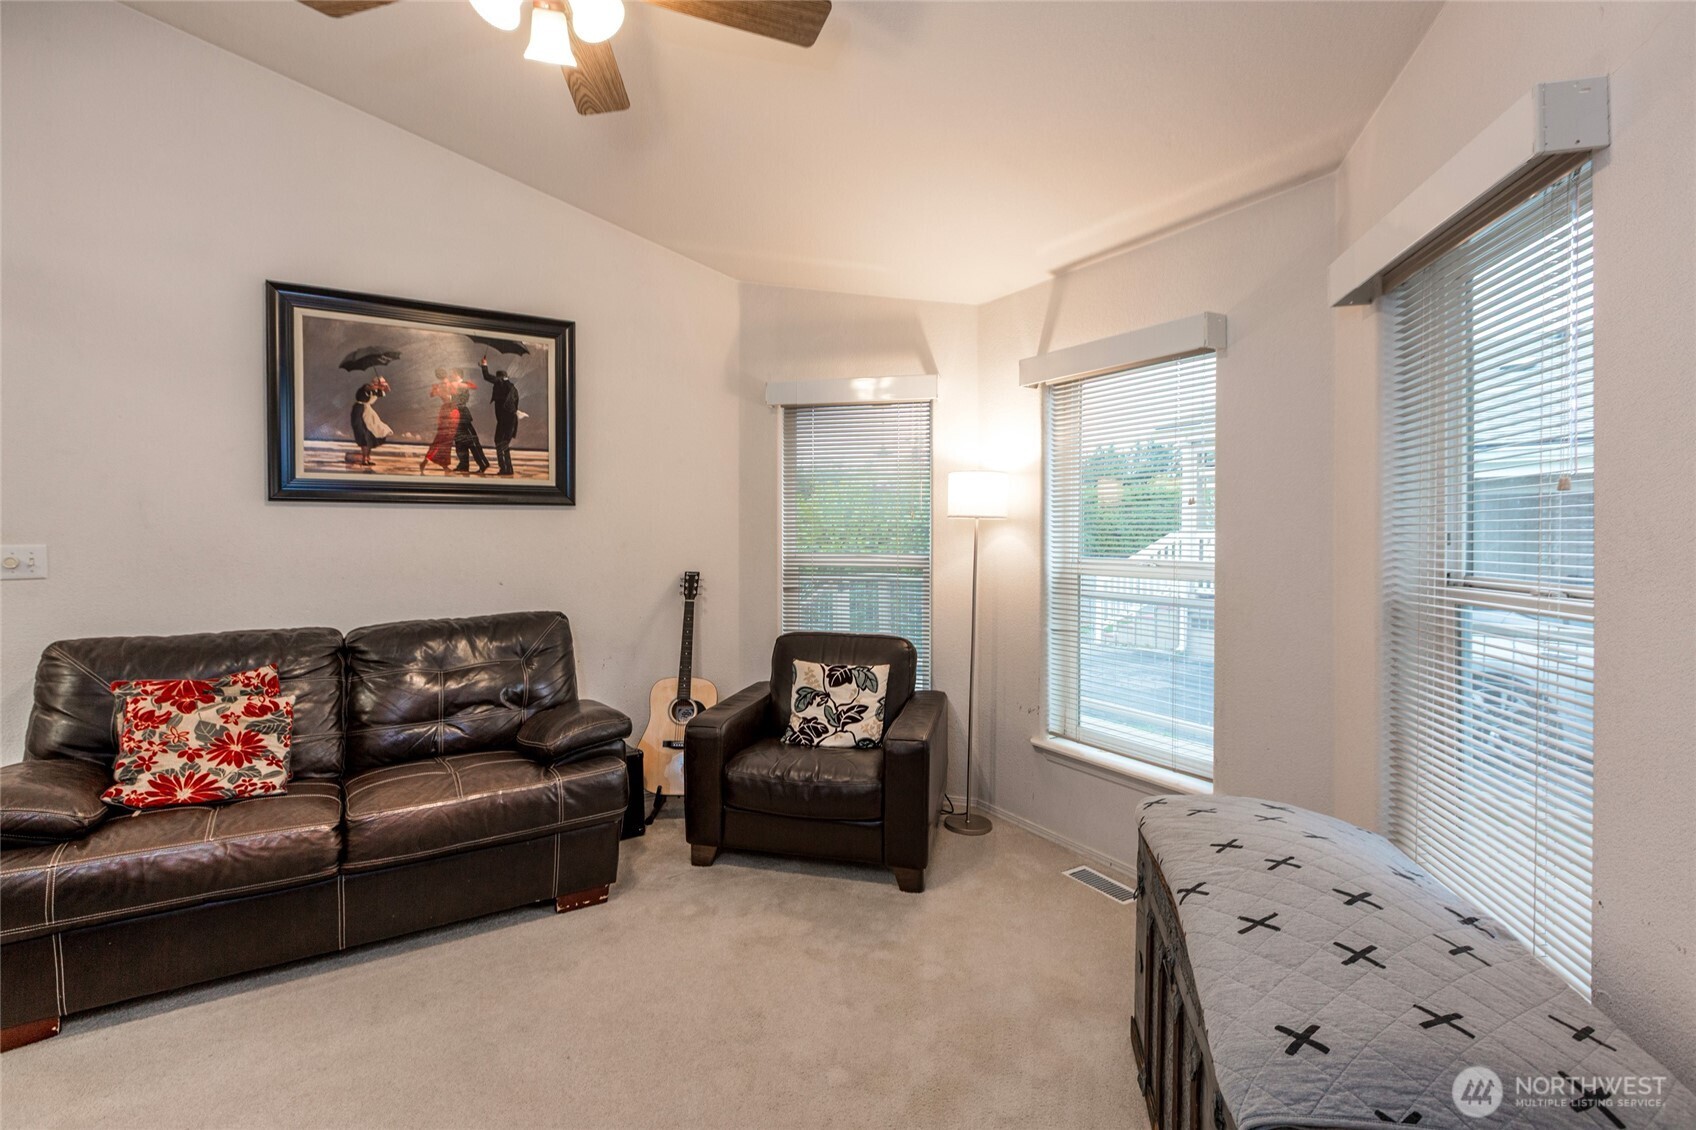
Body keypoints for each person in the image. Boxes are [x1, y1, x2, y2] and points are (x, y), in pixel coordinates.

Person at [480, 355, 521, 477]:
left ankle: (504, 468)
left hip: (504, 421)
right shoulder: (513, 388)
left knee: (499, 442)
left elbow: (487, 376)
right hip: (511, 421)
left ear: (500, 378)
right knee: (504, 444)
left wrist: (484, 365)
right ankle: (508, 469)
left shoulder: (500, 383)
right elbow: (515, 404)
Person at [421, 369, 463, 473]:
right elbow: (453, 398)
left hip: (445, 411)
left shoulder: (439, 386)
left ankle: (442, 464)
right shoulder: (450, 384)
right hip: (451, 412)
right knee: (445, 439)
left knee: (442, 438)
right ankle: (430, 461)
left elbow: (432, 394)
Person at [347, 376, 392, 467]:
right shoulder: (367, 387)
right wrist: (378, 386)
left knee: (371, 436)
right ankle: (364, 459)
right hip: (359, 412)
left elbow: (384, 391)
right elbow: (369, 388)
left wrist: (385, 387)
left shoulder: (376, 391)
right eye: (381, 384)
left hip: (368, 413)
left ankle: (367, 458)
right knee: (363, 435)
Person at [452, 385, 490, 475]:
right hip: (458, 416)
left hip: (462, 417)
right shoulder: (455, 388)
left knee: (472, 443)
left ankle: (483, 464)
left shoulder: (460, 389)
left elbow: (464, 398)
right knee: (460, 444)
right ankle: (464, 464)